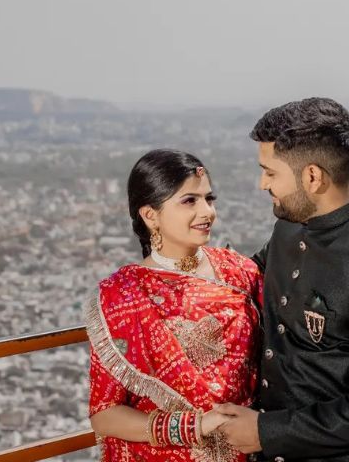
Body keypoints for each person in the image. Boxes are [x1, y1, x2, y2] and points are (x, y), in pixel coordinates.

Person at [217, 98, 349, 462]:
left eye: (270, 172)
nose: (262, 183)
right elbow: (243, 279)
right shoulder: (289, 226)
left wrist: (266, 431)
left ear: (312, 177)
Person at [87, 149, 262, 462]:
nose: (207, 212)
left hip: (247, 448)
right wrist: (194, 426)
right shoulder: (123, 296)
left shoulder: (241, 272)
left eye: (209, 199)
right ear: (150, 214)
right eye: (189, 201)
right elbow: (105, 414)